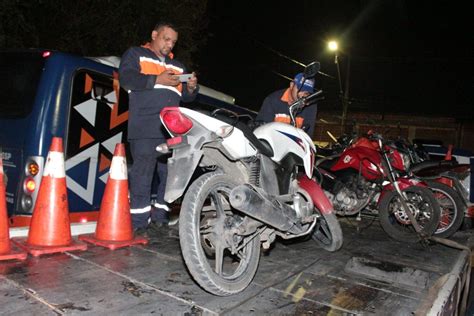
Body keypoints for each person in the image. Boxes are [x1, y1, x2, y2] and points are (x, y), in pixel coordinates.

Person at [118, 22, 198, 235]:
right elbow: (126, 78)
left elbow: (187, 97)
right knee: (143, 174)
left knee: (170, 175)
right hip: (144, 126)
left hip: (172, 130)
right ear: (154, 35)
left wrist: (191, 88)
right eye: (166, 38)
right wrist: (157, 79)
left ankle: (161, 217)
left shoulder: (178, 66)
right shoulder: (136, 54)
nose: (169, 44)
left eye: (173, 42)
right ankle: (138, 223)